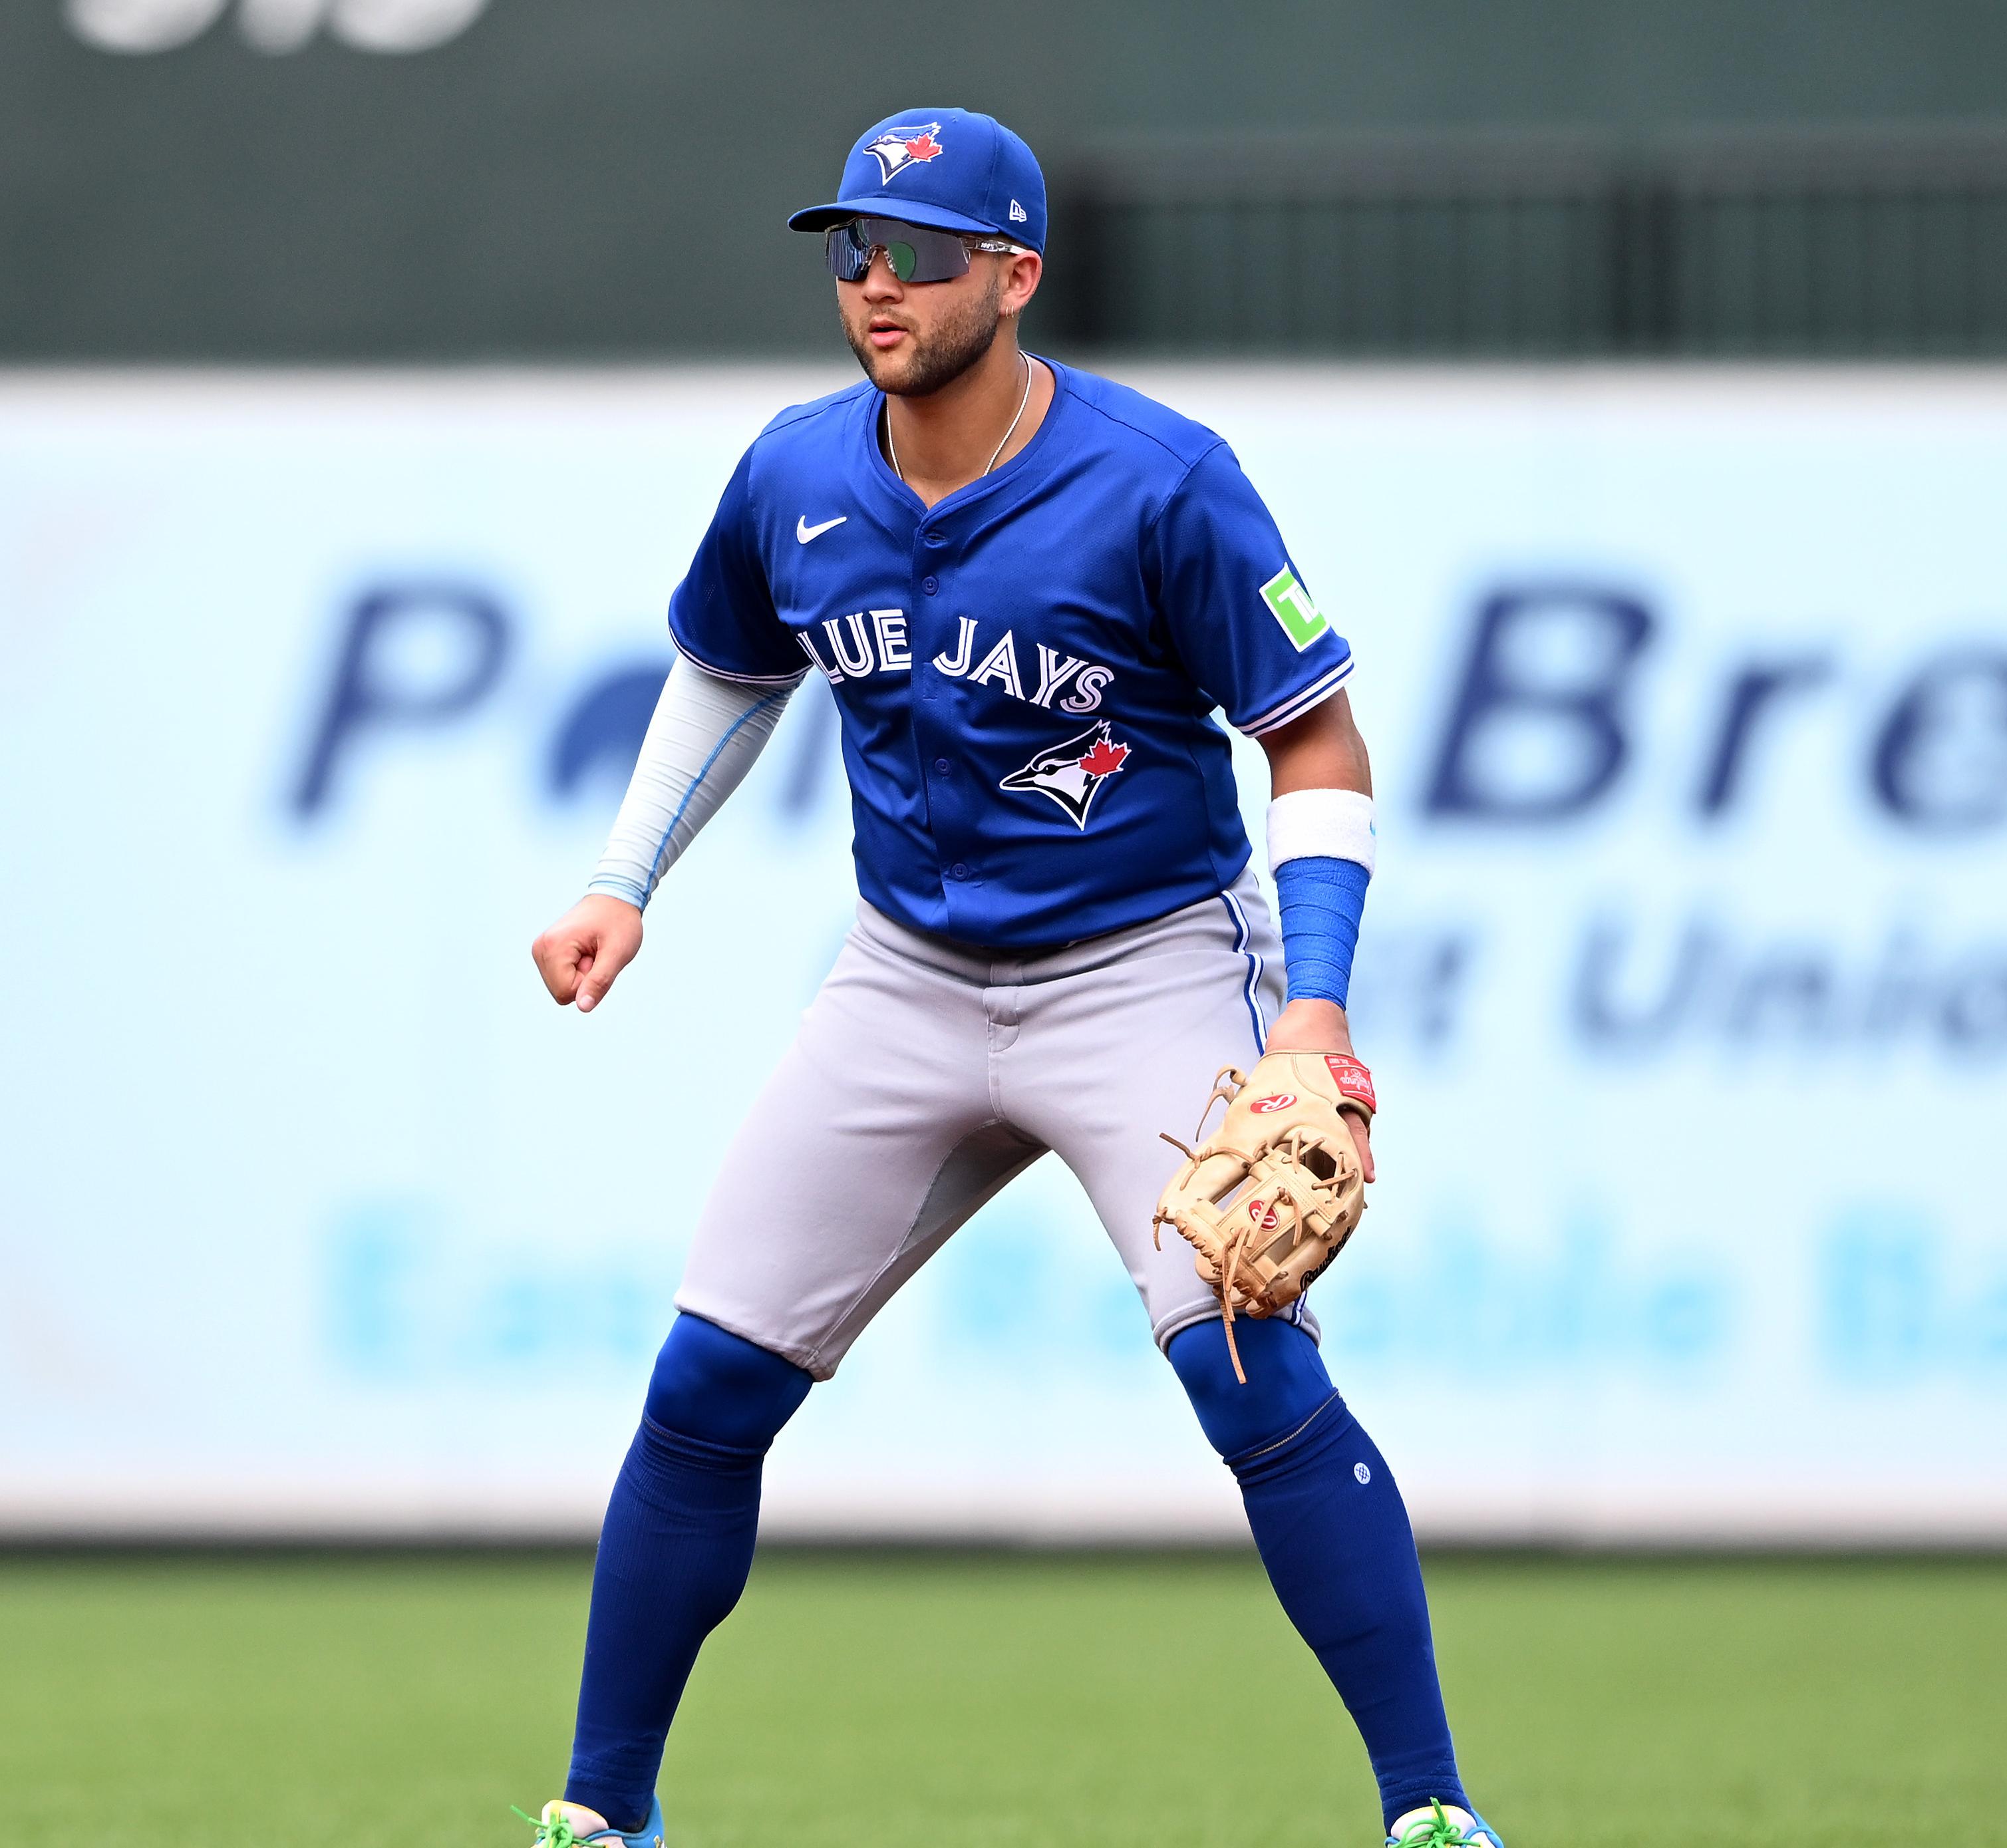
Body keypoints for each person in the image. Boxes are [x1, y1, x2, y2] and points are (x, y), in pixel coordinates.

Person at [520, 108, 1501, 1848]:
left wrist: (1316, 1001)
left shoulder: (1160, 478)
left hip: (1142, 965)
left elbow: (1315, 737)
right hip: (905, 975)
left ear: (1016, 273)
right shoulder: (796, 475)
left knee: (1252, 1369)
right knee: (706, 1385)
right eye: (851, 248)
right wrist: (623, 878)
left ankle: (1432, 1815)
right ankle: (602, 1818)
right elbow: (729, 669)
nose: (875, 282)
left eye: (917, 252)